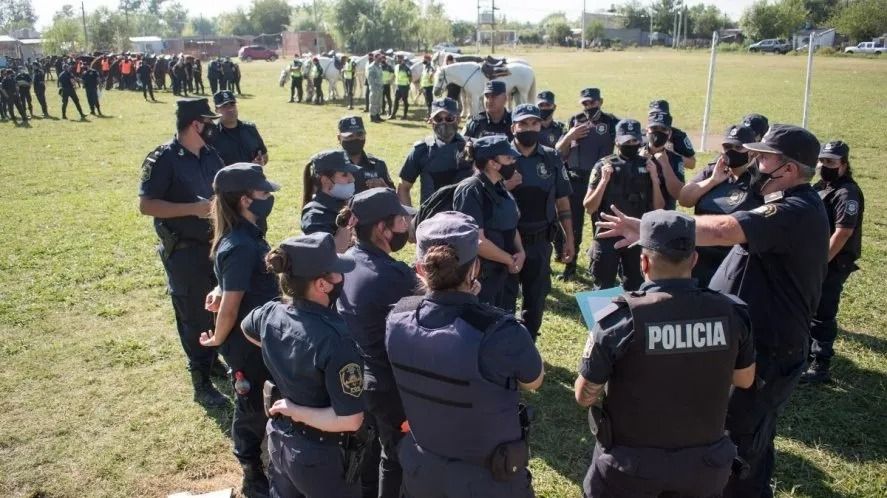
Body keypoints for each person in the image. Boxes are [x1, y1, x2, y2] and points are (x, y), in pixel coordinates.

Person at [596, 124, 829, 497]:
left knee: (742, 442)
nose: (755, 161)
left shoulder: (796, 209)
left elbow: (722, 230)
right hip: (753, 342)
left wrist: (651, 228)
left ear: (787, 169)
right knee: (741, 431)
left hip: (769, 349)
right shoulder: (781, 204)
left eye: (764, 156)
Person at [574, 209, 756, 498]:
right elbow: (745, 380)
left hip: (630, 470)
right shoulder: (732, 312)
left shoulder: (620, 320)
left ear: (644, 261)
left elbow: (584, 396)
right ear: (694, 259)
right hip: (704, 468)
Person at [386, 211, 544, 498]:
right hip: (487, 480)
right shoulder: (500, 331)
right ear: (476, 268)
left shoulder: (397, 318)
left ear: (420, 269)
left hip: (422, 471)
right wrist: (475, 307)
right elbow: (533, 380)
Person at [241, 233, 365, 498]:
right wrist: (295, 410)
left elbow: (247, 328)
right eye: (336, 274)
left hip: (279, 442)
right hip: (320, 457)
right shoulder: (337, 340)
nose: (342, 278)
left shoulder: (270, 314)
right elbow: (350, 420)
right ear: (321, 285)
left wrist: (279, 349)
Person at [138, 98, 228, 406]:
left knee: (214, 307)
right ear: (196, 124)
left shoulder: (210, 155)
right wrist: (192, 209)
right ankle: (200, 382)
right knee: (192, 315)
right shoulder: (164, 159)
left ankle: (212, 360)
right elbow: (146, 205)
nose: (215, 128)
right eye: (209, 123)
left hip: (212, 247)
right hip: (184, 252)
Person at [201, 163, 280, 498]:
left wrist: (220, 288)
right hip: (245, 344)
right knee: (249, 409)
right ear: (245, 200)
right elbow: (231, 307)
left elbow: (231, 287)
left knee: (264, 398)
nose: (269, 197)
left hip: (258, 337)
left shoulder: (248, 236)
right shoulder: (240, 245)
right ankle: (251, 472)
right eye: (263, 192)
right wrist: (217, 339)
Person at [337, 188, 418, 498]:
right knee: (395, 455)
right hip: (387, 386)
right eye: (400, 221)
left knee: (367, 449)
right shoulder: (393, 276)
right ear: (382, 229)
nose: (405, 227)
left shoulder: (345, 261)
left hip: (356, 377)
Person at [505, 104, 574, 340]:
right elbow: (482, 195)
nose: (529, 128)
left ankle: (528, 345)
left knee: (535, 301)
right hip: (506, 244)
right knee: (503, 302)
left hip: (540, 242)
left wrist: (569, 239)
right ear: (512, 127)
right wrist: (505, 186)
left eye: (534, 123)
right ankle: (503, 348)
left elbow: (563, 201)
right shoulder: (500, 157)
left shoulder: (552, 157)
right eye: (523, 124)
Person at [803, 140, 864, 383]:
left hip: (832, 263)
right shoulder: (821, 186)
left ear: (844, 164)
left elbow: (843, 233)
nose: (823, 165)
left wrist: (821, 263)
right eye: (821, 160)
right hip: (814, 260)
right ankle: (806, 355)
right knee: (809, 308)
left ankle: (820, 365)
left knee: (822, 312)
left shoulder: (847, 192)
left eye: (830, 162)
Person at [583, 119, 665, 290]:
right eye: (627, 141)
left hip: (637, 235)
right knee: (602, 288)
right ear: (617, 141)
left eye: (635, 141)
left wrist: (655, 180)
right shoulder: (603, 165)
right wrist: (604, 181)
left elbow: (659, 208)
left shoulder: (648, 165)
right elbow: (589, 207)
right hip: (607, 235)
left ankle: (631, 317)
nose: (631, 144)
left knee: (637, 287)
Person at [679, 125, 761, 287]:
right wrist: (713, 180)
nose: (731, 151)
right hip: (699, 256)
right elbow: (684, 199)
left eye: (738, 147)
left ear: (752, 151)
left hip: (735, 261)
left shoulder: (759, 179)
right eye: (727, 146)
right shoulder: (713, 169)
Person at [452, 135, 524, 308]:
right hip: (482, 279)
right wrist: (509, 259)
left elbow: (511, 224)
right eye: (508, 158)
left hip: (505, 275)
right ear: (493, 163)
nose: (513, 161)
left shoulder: (500, 186)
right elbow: (477, 240)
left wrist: (520, 252)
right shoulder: (470, 190)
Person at [557, 88, 619, 281]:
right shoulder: (575, 120)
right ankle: (570, 266)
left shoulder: (611, 122)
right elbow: (560, 151)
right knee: (573, 225)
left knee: (600, 224)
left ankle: (600, 265)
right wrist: (570, 136)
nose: (588, 107)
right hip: (576, 180)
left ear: (600, 101)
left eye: (592, 103)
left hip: (601, 180)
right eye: (585, 103)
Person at [397, 97, 470, 206]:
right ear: (431, 121)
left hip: (467, 218)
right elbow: (403, 187)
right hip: (431, 219)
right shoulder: (421, 150)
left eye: (449, 118)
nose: (444, 123)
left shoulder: (471, 148)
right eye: (438, 119)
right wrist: (410, 219)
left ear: (458, 119)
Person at [301, 150, 359, 251]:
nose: (352, 179)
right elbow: (328, 253)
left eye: (351, 173)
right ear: (325, 180)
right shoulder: (315, 215)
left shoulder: (344, 202)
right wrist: (345, 220)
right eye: (345, 175)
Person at [209, 90, 268, 166]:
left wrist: (261, 161)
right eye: (224, 106)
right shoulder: (212, 135)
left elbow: (264, 155)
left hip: (253, 176)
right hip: (227, 178)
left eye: (232, 105)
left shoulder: (250, 129)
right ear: (216, 110)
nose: (230, 109)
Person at [337, 115, 395, 192]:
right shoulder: (330, 165)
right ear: (339, 138)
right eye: (349, 136)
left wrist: (384, 187)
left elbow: (395, 199)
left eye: (359, 134)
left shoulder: (378, 165)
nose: (355, 139)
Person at [644, 111, 685, 209]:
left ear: (669, 134)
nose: (658, 132)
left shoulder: (675, 159)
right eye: (654, 128)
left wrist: (665, 164)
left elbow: (678, 194)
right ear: (647, 131)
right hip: (638, 214)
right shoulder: (635, 154)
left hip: (665, 217)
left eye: (663, 129)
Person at [648, 100, 696, 170]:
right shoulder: (640, 136)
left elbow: (692, 164)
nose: (659, 118)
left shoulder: (678, 136)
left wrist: (672, 155)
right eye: (654, 115)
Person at [389, 54, 411, 120]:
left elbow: (410, 77)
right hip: (398, 86)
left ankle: (405, 115)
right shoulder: (396, 67)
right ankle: (393, 115)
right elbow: (395, 75)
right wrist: (391, 80)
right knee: (396, 100)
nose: (398, 60)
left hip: (404, 87)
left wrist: (408, 85)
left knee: (405, 101)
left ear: (403, 59)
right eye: (398, 59)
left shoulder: (407, 68)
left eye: (400, 59)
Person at [367, 52, 385, 123]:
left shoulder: (379, 66)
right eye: (379, 58)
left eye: (381, 58)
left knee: (379, 102)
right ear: (375, 58)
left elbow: (380, 77)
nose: (380, 59)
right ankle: (372, 116)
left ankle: (377, 115)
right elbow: (370, 79)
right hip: (374, 88)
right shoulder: (371, 67)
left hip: (380, 87)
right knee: (373, 102)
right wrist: (374, 87)